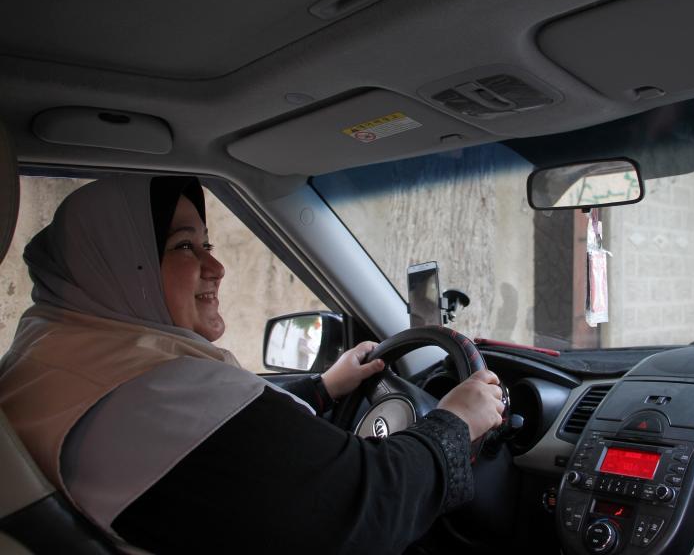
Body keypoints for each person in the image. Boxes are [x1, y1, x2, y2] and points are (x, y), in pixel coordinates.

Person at [0, 175, 505, 554]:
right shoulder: (151, 398)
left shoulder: (54, 348)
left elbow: (232, 447)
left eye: (207, 244)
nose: (216, 267)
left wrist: (323, 388)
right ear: (114, 268)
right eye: (182, 246)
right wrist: (454, 424)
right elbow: (364, 508)